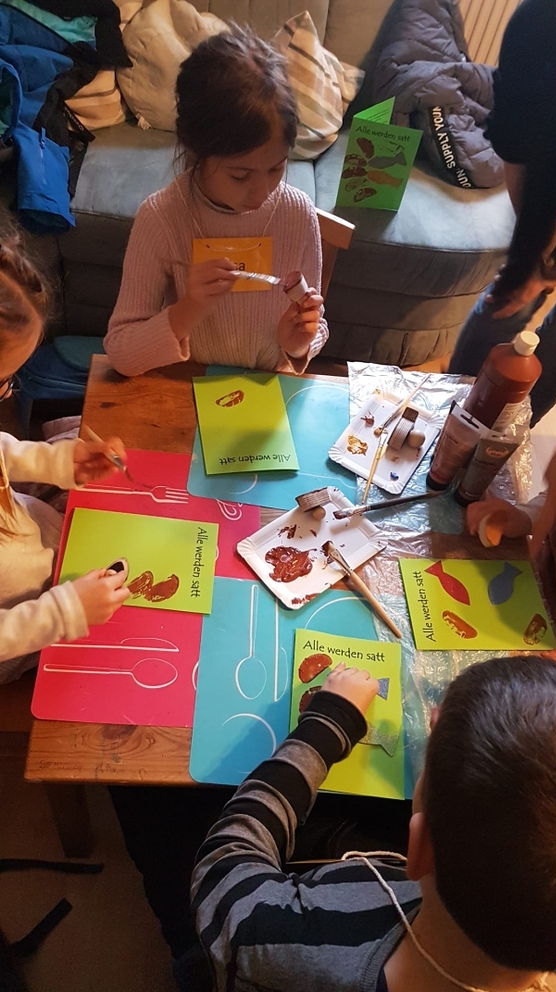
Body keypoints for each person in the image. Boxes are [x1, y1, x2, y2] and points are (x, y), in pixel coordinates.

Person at [189, 657, 556, 992]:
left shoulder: (272, 944)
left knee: (178, 814)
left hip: (249, 933)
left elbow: (226, 864)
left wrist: (328, 724)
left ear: (417, 849)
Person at [104, 26, 327, 378]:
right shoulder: (161, 218)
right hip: (189, 385)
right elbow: (120, 351)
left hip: (267, 389)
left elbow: (315, 324)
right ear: (196, 150)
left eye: (276, 168)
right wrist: (188, 309)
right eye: (240, 175)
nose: (262, 193)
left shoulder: (297, 214)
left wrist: (298, 344)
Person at [0, 234, 130, 679]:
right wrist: (62, 613)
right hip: (25, 622)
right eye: (1, 381)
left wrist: (57, 463)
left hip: (37, 543)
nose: (7, 394)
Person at [448, 0, 556, 426]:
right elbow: (517, 148)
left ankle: (507, 435)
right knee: (511, 296)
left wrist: (548, 265)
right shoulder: (538, 23)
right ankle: (450, 417)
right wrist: (534, 261)